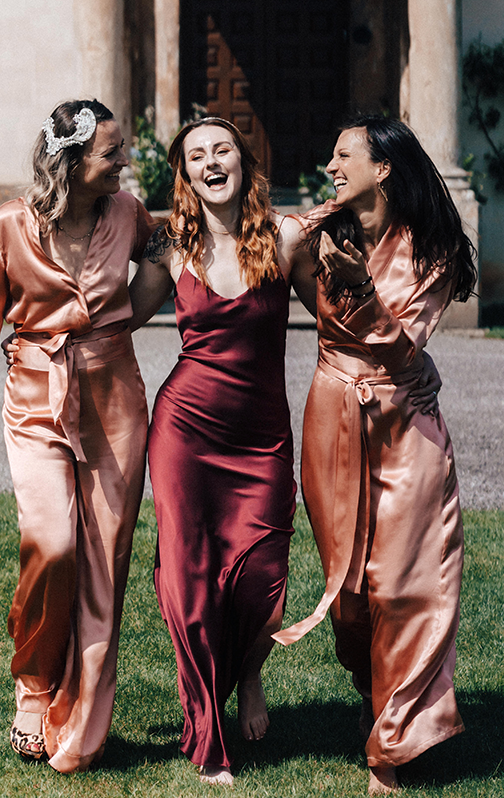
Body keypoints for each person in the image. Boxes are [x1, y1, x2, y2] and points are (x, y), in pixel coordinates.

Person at [127, 116, 443, 785]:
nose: (211, 162)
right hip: (184, 430)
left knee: (262, 580)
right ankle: (209, 735)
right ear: (184, 175)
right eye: (196, 156)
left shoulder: (289, 237)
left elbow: (338, 324)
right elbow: (116, 317)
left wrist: (405, 370)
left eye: (222, 151)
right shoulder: (169, 249)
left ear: (244, 162)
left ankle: (249, 673)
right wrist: (44, 326)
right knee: (189, 583)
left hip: (260, 436)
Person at [273, 115, 476, 795]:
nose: (330, 165)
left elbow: (400, 347)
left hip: (406, 423)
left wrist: (360, 290)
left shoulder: (435, 247)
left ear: (383, 167)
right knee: (352, 597)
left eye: (343, 155)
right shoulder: (325, 232)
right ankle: (373, 687)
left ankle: (390, 749)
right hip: (332, 419)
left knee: (405, 586)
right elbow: (259, 278)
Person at [0, 99, 154, 773]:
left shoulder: (129, 216)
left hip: (116, 402)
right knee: (55, 544)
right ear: (70, 160)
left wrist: (141, 310)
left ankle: (80, 728)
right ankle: (35, 686)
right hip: (34, 395)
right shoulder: (9, 226)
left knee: (105, 566)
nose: (123, 161)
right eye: (110, 152)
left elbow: (174, 257)